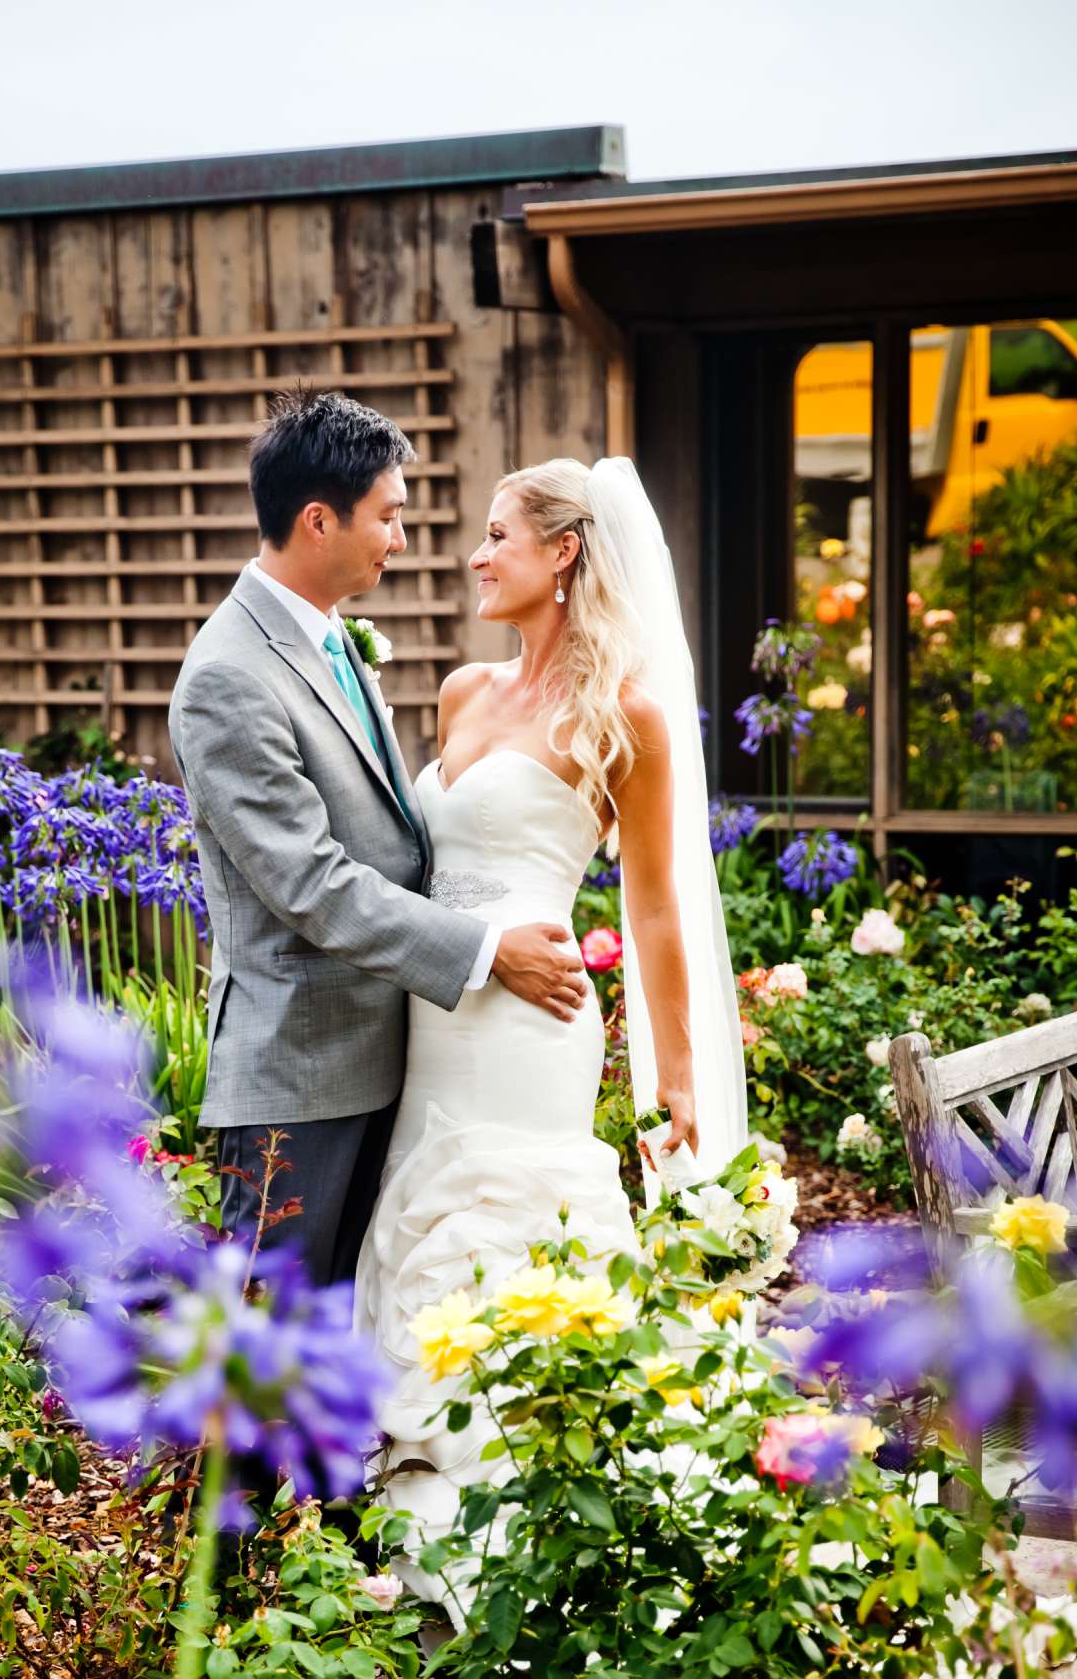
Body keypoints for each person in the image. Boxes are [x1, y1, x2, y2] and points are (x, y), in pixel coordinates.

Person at [353, 456, 748, 1587]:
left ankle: (522, 1562)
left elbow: (660, 905)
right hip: (436, 1017)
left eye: (495, 536)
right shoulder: (462, 695)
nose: (474, 556)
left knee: (506, 1255)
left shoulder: (623, 712)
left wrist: (674, 1077)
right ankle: (421, 1542)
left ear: (561, 551)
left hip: (535, 1027)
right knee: (418, 1241)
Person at [168, 390, 588, 1289]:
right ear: (319, 520)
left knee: (350, 1344)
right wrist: (485, 952)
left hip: (396, 1057)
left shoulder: (335, 643)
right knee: (274, 1359)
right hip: (301, 1072)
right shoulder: (227, 677)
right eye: (389, 516)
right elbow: (311, 882)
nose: (401, 538)